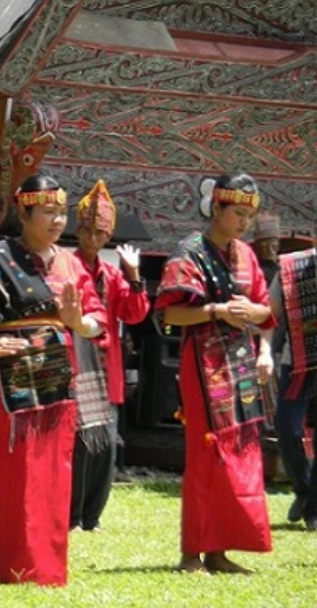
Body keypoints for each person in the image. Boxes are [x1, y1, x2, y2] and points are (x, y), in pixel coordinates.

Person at [0, 174, 106, 586]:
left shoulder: (71, 262)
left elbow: (97, 320)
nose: (56, 220)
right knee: (18, 472)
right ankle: (15, 564)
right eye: (47, 212)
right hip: (13, 379)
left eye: (61, 212)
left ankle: (48, 566)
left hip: (59, 378)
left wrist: (78, 322)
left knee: (56, 470)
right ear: (23, 213)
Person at [154, 172, 275, 574]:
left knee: (239, 453)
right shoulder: (190, 253)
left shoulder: (246, 255)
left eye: (249, 215)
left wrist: (253, 322)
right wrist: (214, 311)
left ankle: (221, 551)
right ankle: (192, 552)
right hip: (203, 366)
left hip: (240, 362)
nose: (243, 222)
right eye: (237, 213)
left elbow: (264, 310)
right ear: (216, 209)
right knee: (206, 455)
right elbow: (170, 312)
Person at [69, 180, 150, 532]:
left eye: (101, 232)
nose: (93, 238)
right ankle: (71, 516)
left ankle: (92, 516)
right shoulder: (65, 266)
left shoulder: (113, 273)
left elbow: (134, 314)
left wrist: (134, 277)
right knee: (77, 447)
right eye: (88, 230)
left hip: (107, 369)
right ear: (78, 230)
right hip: (75, 367)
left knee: (104, 448)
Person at [268, 243, 317, 529]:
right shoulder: (291, 268)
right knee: (287, 427)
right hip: (296, 361)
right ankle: (302, 488)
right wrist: (264, 351)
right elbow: (270, 313)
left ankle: (313, 507)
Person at [252, 212, 281, 286]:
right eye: (264, 245)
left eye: (273, 243)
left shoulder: (282, 265)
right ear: (257, 248)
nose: (269, 249)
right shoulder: (258, 272)